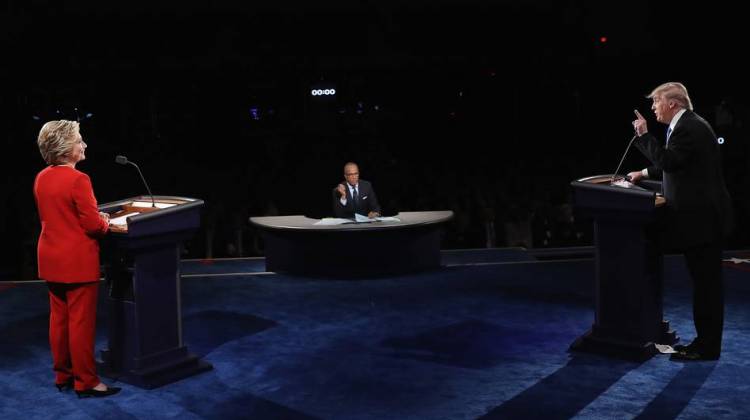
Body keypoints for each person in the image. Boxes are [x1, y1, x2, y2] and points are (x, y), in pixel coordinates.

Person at [629, 82, 733, 361]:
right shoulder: (689, 125)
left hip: (702, 221)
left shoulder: (688, 127)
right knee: (705, 286)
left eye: (656, 102)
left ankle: (707, 347)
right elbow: (680, 162)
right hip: (702, 219)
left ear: (672, 103)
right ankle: (705, 343)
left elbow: (670, 161)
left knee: (706, 288)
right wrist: (643, 171)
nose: (653, 108)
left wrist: (644, 136)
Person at [34, 120, 121, 397]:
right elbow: (93, 227)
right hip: (76, 260)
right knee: (81, 323)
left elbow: (62, 216)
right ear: (64, 148)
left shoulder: (41, 177)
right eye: (79, 140)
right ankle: (87, 381)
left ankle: (63, 375)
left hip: (51, 257)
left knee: (58, 320)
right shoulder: (78, 179)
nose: (84, 145)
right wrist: (105, 222)